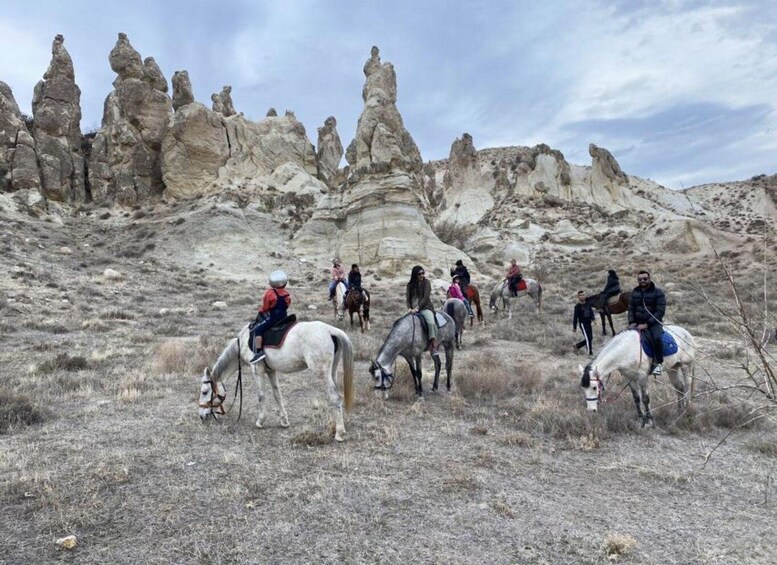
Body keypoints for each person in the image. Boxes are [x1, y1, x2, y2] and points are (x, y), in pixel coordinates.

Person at [627, 270, 666, 375]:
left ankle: (658, 363)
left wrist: (647, 324)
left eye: (645, 279)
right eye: (640, 279)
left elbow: (660, 311)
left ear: (649, 279)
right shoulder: (634, 293)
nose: (642, 281)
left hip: (653, 323)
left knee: (657, 338)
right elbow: (631, 309)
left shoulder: (658, 292)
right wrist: (631, 322)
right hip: (637, 323)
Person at [249, 270, 292, 364]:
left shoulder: (270, 293)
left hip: (274, 318)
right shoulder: (286, 294)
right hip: (284, 318)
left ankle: (259, 352)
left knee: (258, 330)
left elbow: (265, 308)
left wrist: (261, 311)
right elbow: (287, 305)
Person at [406, 265, 439, 357]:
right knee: (401, 322)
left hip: (425, 308)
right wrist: (409, 308)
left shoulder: (426, 283)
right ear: (415, 275)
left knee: (431, 323)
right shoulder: (410, 285)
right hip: (412, 309)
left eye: (423, 273)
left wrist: (417, 308)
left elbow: (425, 297)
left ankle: (433, 345)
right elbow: (407, 299)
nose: (421, 275)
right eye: (419, 274)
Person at [573, 290, 595, 356]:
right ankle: (590, 353)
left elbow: (591, 312)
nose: (582, 296)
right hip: (583, 324)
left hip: (589, 323)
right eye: (580, 295)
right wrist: (574, 327)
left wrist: (593, 319)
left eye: (583, 295)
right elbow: (575, 317)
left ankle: (577, 346)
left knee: (590, 338)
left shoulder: (588, 304)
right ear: (578, 297)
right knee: (588, 338)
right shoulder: (577, 307)